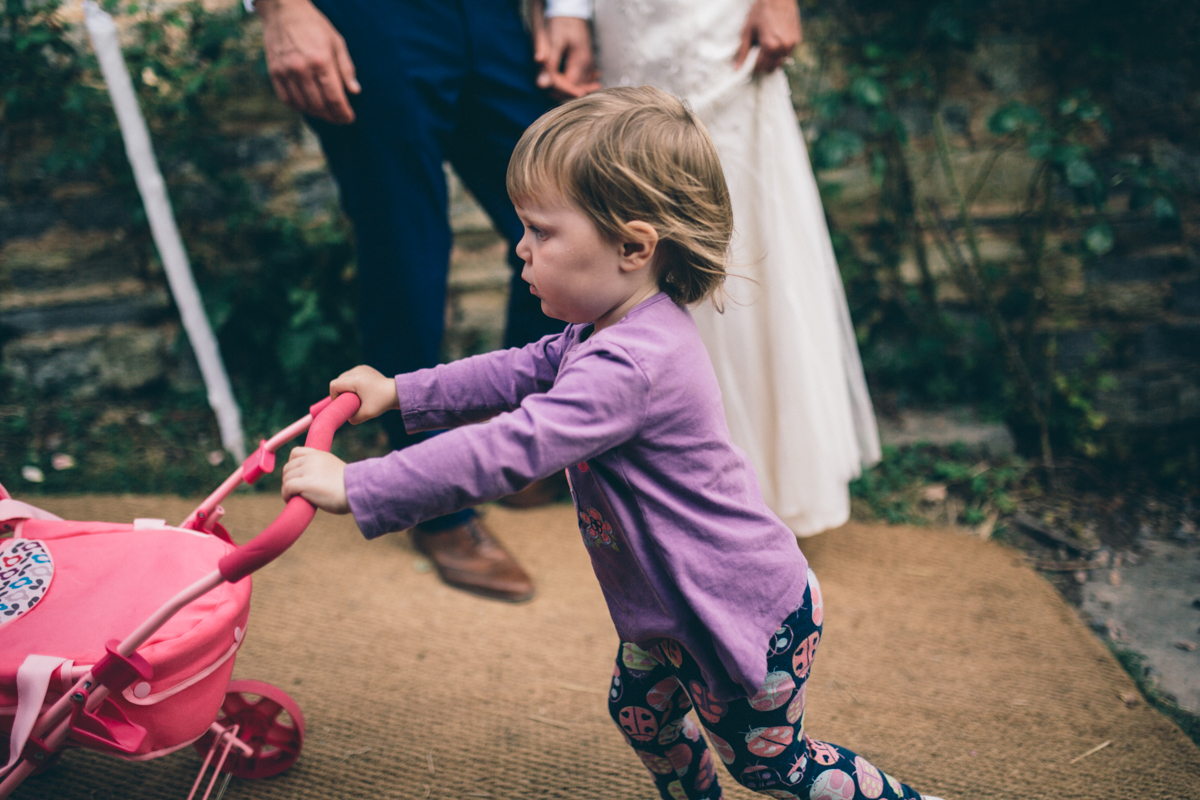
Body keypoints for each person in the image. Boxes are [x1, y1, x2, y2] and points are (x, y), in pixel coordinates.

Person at [281, 88, 939, 800]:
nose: (520, 247)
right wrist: (401, 392)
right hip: (667, 606)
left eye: (540, 230)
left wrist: (362, 486)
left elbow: (512, 448)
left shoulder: (632, 365)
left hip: (735, 609)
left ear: (633, 245)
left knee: (772, 765)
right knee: (642, 715)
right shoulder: (604, 331)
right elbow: (511, 371)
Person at [253, 0, 591, 601]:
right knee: (406, 243)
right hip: (371, 19)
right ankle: (431, 500)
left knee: (567, 198)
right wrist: (281, 10)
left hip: (494, 17)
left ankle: (529, 440)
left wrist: (568, 8)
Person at [536, 0, 882, 537]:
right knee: (636, 192)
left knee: (734, 212)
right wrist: (569, 9)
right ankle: (653, 477)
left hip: (718, 22)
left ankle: (764, 483)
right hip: (624, 20)